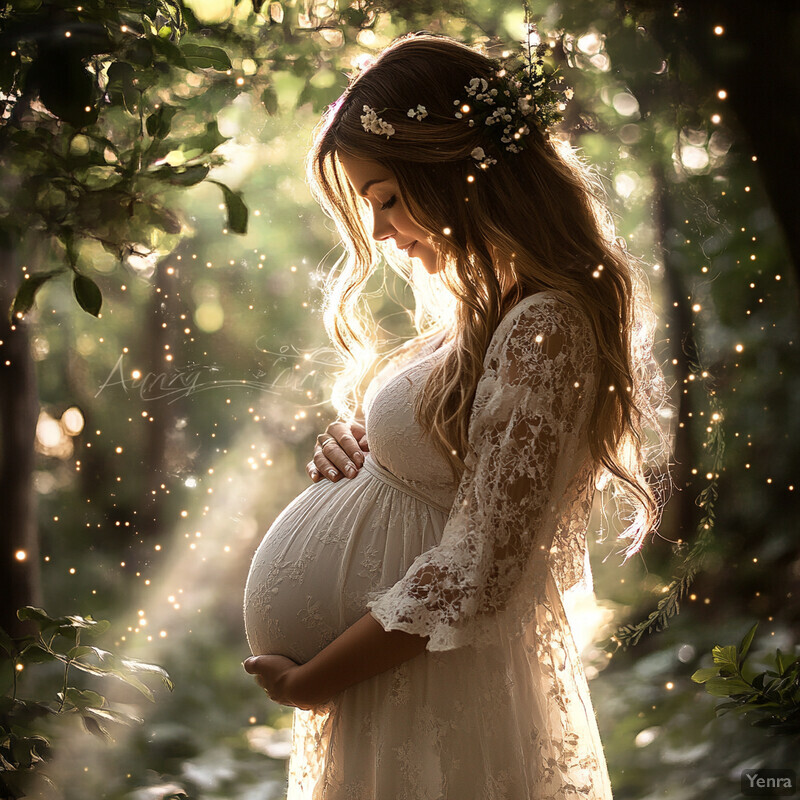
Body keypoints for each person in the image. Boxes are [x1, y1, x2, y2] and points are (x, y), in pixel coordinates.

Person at [242, 31, 670, 799]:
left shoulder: (547, 325)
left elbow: (478, 567)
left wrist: (313, 682)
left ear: (457, 172)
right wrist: (359, 455)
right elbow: (441, 476)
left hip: (440, 687)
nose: (377, 233)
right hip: (404, 681)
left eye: (387, 199)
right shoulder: (484, 321)